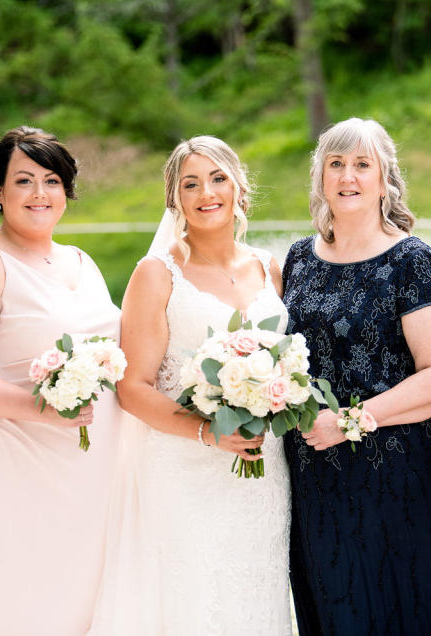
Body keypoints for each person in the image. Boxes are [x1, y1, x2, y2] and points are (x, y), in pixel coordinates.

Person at [281, 117, 431, 635]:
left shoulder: (413, 260)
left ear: (385, 178)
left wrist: (348, 422)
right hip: (315, 475)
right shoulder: (299, 259)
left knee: (409, 606)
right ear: (320, 176)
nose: (348, 176)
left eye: (362, 165)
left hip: (401, 473)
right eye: (336, 164)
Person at [0, 127, 123, 634]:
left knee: (74, 603)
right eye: (24, 181)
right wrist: (39, 407)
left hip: (83, 471)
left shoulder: (84, 263)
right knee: (6, 601)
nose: (40, 194)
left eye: (52, 180)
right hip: (4, 461)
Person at [95, 135, 292, 634]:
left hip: (262, 471)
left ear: (239, 188)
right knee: (193, 602)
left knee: (256, 592)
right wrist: (208, 432)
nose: (207, 192)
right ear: (176, 199)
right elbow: (133, 387)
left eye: (218, 178)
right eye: (191, 184)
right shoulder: (157, 274)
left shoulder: (270, 268)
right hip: (183, 470)